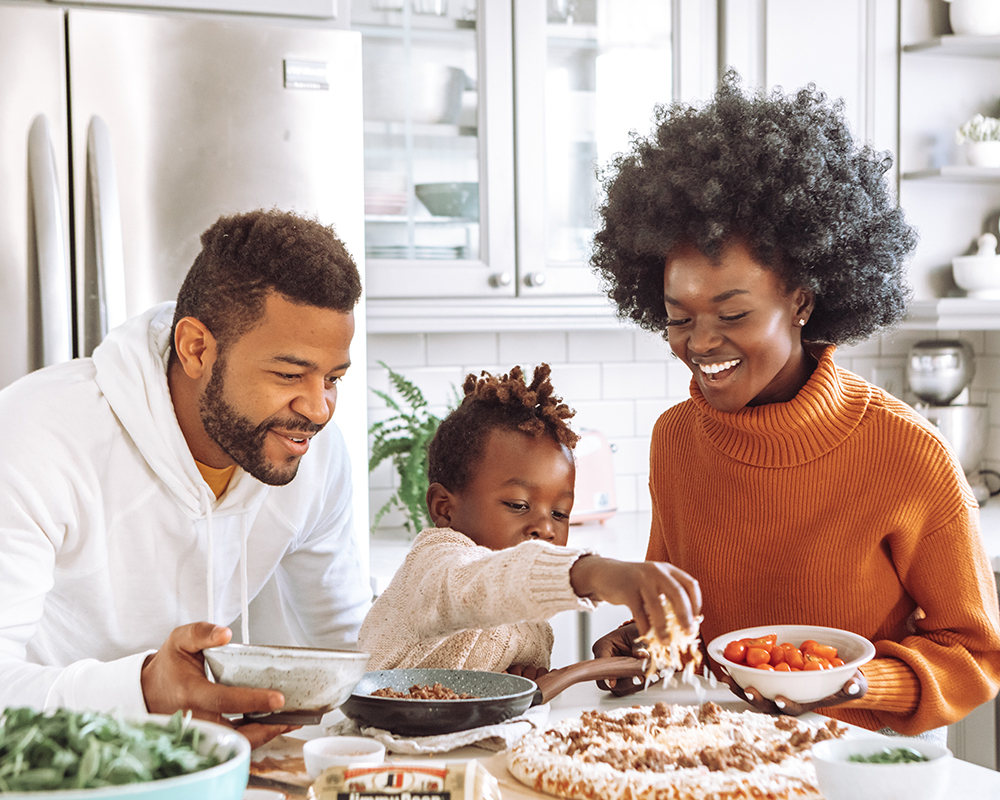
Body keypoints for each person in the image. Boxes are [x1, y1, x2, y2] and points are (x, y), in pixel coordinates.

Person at [589, 71, 1000, 739]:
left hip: (851, 770)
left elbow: (975, 653)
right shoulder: (676, 439)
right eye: (677, 317)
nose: (701, 343)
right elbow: (685, 620)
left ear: (803, 300)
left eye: (732, 313)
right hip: (707, 758)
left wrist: (853, 682)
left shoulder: (907, 453)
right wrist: (639, 645)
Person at [0, 209, 372, 747]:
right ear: (196, 348)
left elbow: (349, 647)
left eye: (333, 378)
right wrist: (144, 688)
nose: (318, 409)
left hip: (205, 772)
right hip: (50, 774)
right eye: (290, 374)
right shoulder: (35, 433)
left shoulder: (311, 453)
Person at [358, 364, 701, 680]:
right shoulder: (435, 565)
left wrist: (518, 684)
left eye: (559, 513)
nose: (546, 529)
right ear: (444, 508)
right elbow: (477, 586)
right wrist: (593, 573)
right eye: (518, 504)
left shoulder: (532, 619)